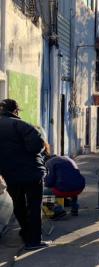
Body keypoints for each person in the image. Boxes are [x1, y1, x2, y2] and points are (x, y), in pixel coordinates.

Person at [0, 99, 49, 250]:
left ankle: (26, 234)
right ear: (16, 110)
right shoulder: (21, 125)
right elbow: (37, 146)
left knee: (18, 204)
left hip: (10, 174)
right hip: (31, 173)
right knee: (34, 206)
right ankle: (34, 241)